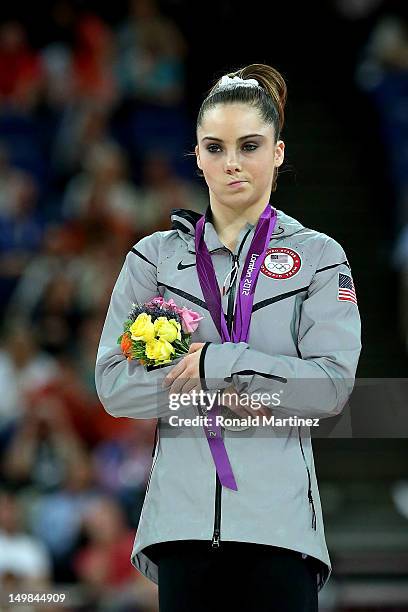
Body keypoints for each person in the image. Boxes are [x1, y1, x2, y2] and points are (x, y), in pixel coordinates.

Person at [95, 63, 362, 611]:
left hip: (280, 531)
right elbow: (115, 387)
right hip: (181, 530)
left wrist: (219, 362)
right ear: (195, 154)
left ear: (279, 152)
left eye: (250, 145)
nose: (232, 163)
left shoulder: (318, 257)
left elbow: (329, 389)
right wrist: (252, 391)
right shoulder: (155, 259)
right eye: (214, 148)